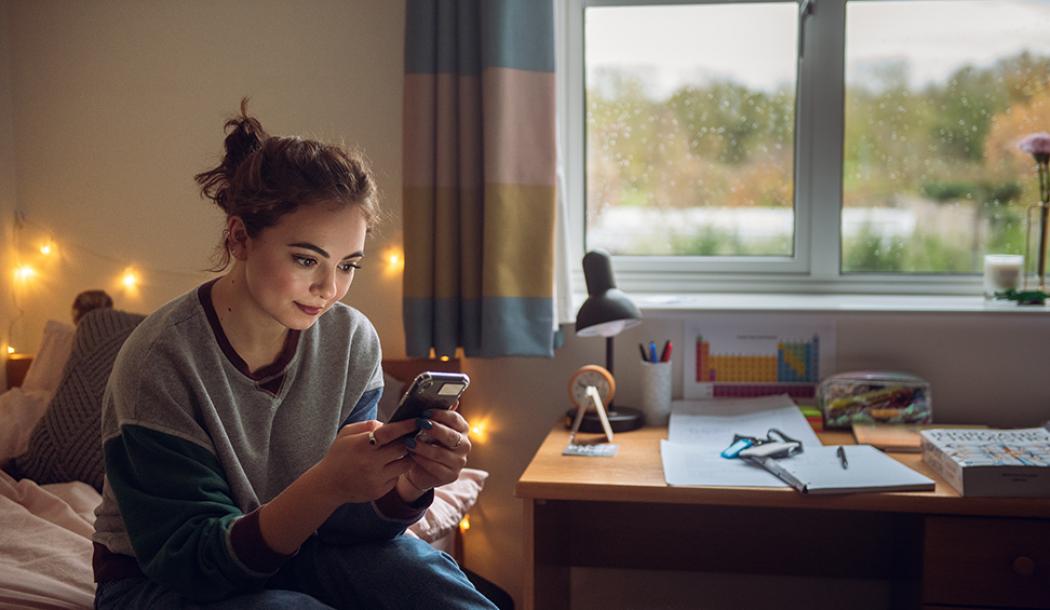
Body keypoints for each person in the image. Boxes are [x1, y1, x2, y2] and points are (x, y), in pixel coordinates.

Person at [91, 100, 497, 609]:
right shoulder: (160, 360)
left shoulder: (350, 341)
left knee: (428, 581)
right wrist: (326, 485)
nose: (329, 288)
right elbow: (195, 561)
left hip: (304, 550)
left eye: (349, 265)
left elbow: (348, 526)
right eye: (307, 259)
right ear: (240, 238)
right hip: (159, 582)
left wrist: (409, 484)